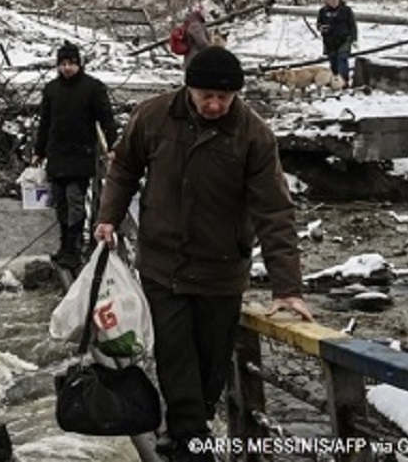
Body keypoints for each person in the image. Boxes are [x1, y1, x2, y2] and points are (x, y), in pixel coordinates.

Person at [93, 46, 314, 462]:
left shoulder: (253, 135)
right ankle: (191, 446)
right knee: (176, 361)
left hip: (222, 271)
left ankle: (185, 434)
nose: (214, 105)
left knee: (211, 372)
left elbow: (274, 212)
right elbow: (123, 168)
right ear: (189, 88)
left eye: (224, 98)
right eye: (206, 96)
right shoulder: (154, 116)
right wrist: (109, 216)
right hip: (163, 267)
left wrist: (288, 287)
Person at [33, 42, 117, 270]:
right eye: (63, 64)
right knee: (60, 203)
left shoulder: (93, 88)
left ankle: (75, 247)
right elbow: (45, 122)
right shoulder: (51, 89)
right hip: (56, 153)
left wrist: (112, 145)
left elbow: (106, 118)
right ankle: (64, 246)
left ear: (79, 64)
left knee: (75, 202)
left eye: (71, 63)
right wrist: (38, 151)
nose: (67, 68)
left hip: (81, 154)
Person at [316, 0, 357, 87]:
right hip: (329, 41)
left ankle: (344, 81)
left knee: (342, 59)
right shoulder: (323, 11)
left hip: (344, 38)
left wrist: (353, 38)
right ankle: (334, 81)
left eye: (335, 0)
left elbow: (352, 25)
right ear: (328, 1)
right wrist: (321, 27)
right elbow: (319, 24)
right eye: (331, 1)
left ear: (339, 0)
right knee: (333, 60)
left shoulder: (346, 11)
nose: (333, 3)